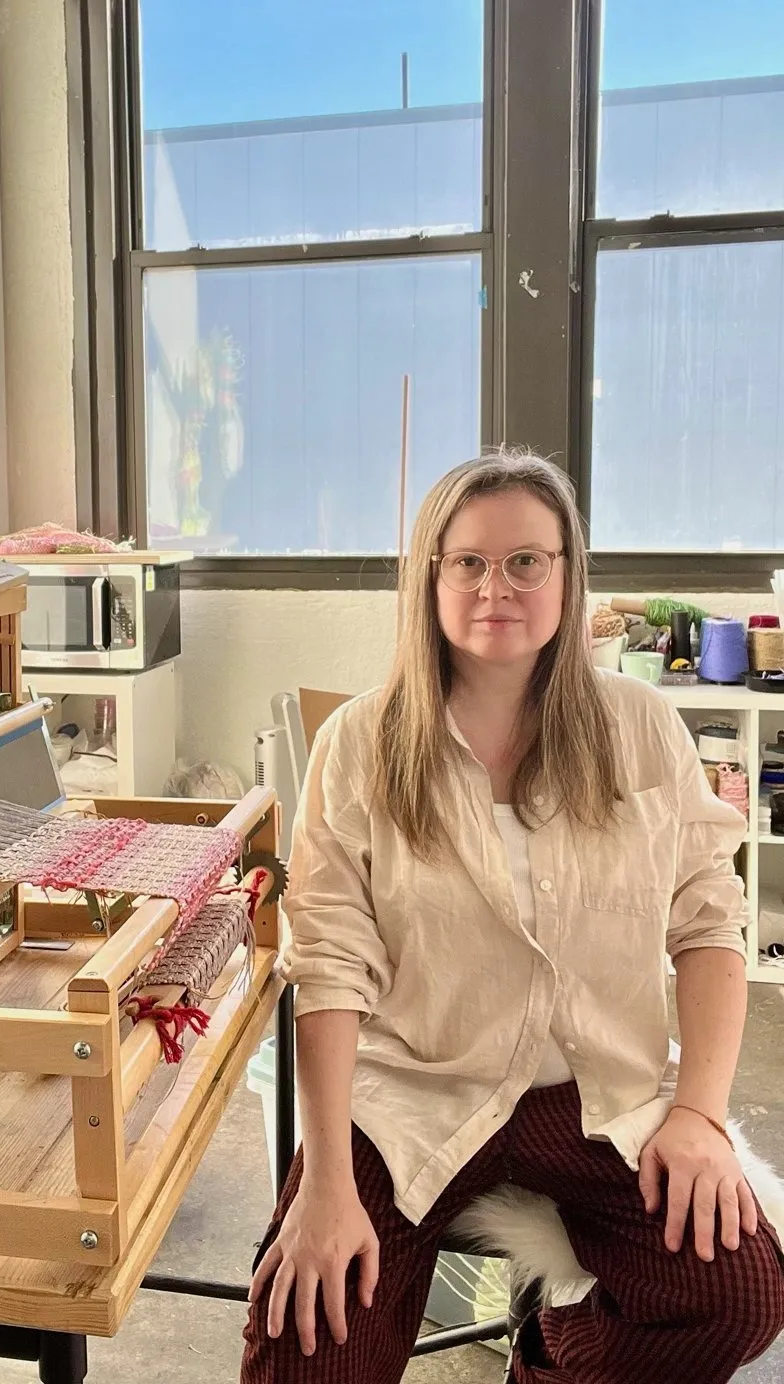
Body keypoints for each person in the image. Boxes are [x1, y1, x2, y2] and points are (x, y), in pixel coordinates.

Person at [241, 451, 784, 1383]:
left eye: (527, 561)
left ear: (570, 576)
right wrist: (326, 1179)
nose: (499, 586)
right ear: (431, 578)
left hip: (593, 1097)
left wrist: (697, 1112)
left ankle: (548, 1354)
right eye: (470, 562)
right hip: (409, 1094)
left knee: (736, 1295)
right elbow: (328, 965)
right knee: (307, 1348)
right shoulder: (362, 745)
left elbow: (707, 926)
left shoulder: (642, 729)